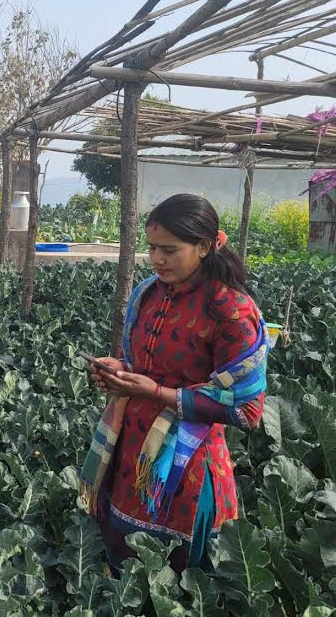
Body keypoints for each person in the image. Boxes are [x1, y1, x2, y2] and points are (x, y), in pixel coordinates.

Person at [79, 193, 268, 571]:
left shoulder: (230, 310)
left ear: (203, 246)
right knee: (124, 574)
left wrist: (155, 393)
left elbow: (247, 410)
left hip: (186, 464)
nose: (156, 259)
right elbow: (140, 362)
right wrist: (116, 370)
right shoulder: (148, 294)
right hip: (131, 451)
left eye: (169, 249)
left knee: (176, 581)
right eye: (152, 248)